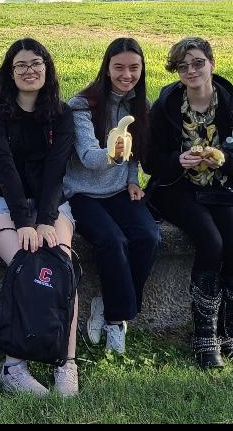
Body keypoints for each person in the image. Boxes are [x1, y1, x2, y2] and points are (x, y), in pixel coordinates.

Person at [0, 38, 79, 397]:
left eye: (36, 63)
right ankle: (13, 366)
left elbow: (55, 172)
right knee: (24, 260)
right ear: (10, 73)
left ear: (46, 69)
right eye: (21, 66)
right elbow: (4, 171)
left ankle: (67, 363)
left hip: (48, 202)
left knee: (62, 263)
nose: (30, 71)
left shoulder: (62, 116)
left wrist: (45, 219)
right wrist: (24, 224)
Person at [143, 37, 233, 369]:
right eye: (183, 65)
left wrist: (225, 161)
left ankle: (232, 332)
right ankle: (205, 338)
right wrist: (178, 160)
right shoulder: (165, 107)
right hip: (178, 190)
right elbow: (150, 163)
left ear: (211, 64)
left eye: (197, 63)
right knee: (210, 242)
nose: (191, 70)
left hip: (224, 190)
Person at [64, 38, 160, 355]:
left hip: (119, 190)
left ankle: (107, 304)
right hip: (82, 192)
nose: (126, 74)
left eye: (134, 67)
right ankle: (118, 320)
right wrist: (112, 151)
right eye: (119, 67)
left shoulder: (140, 105)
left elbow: (133, 157)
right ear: (106, 68)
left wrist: (132, 180)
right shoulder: (82, 105)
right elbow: (89, 155)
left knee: (148, 236)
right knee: (112, 240)